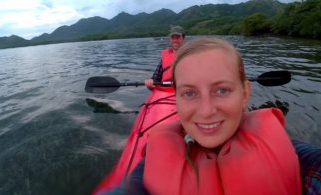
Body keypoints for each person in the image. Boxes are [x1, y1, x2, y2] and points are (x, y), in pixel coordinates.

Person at [106, 37, 302, 195]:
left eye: (222, 90)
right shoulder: (149, 164)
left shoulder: (294, 153)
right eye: (189, 93)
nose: (206, 111)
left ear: (244, 94)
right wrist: (153, 82)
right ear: (177, 97)